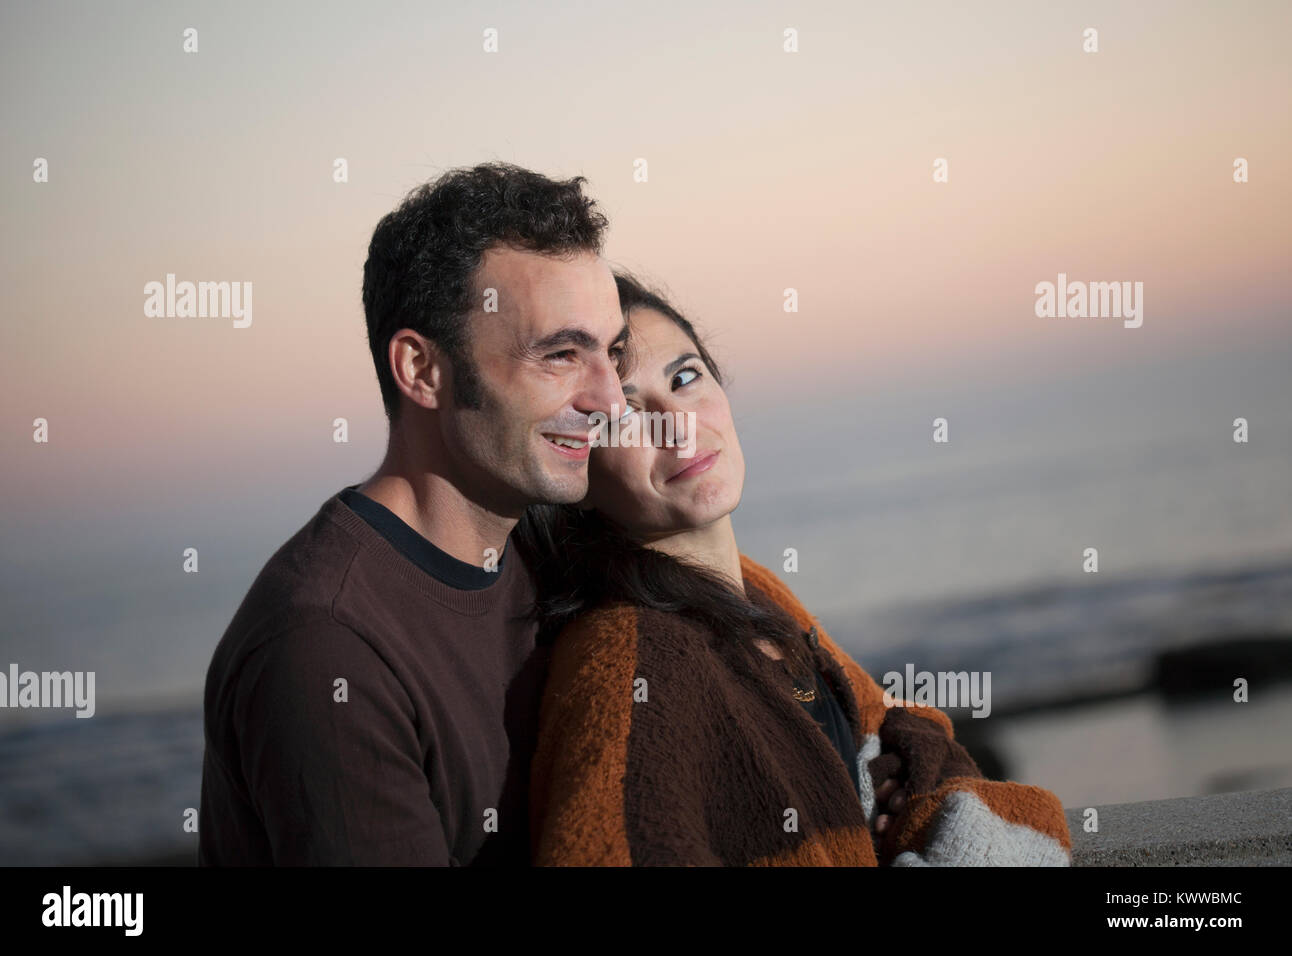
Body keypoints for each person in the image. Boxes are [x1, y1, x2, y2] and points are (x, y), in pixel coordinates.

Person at [514, 271, 1073, 866]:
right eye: (626, 415)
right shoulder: (633, 656)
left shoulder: (754, 590)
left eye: (685, 378)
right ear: (577, 468)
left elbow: (890, 725)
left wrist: (896, 790)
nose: (680, 425)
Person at [198, 163, 631, 865]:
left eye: (611, 354)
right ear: (423, 371)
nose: (611, 402)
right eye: (560, 355)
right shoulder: (325, 648)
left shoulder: (547, 549)